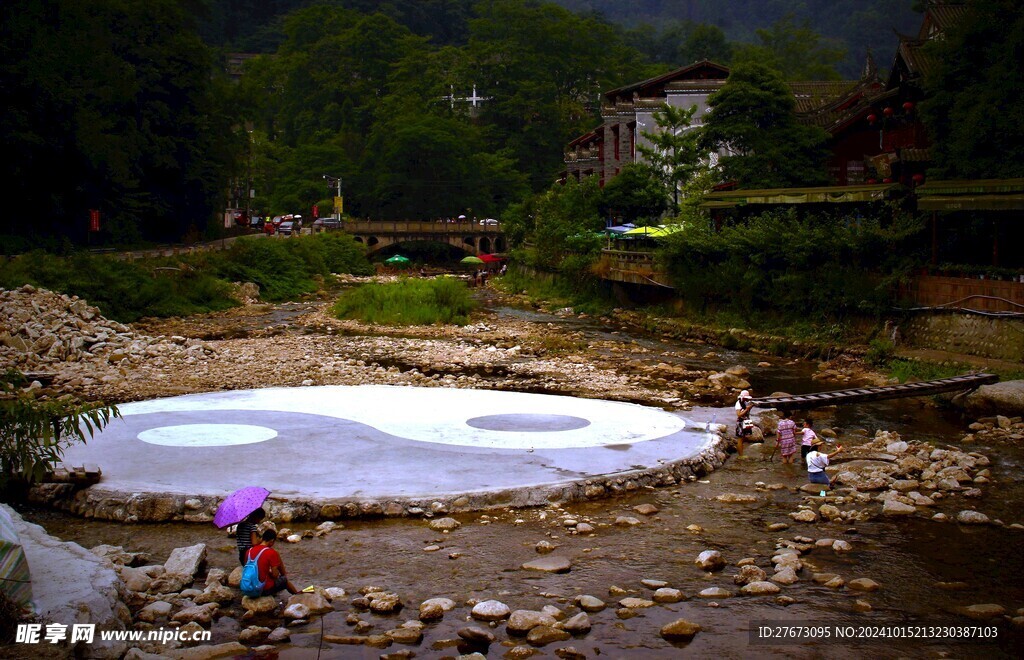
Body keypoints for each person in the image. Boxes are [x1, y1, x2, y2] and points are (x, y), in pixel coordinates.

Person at [245, 530, 300, 596]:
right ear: (272, 541)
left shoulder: (249, 551)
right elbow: (275, 575)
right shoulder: (272, 552)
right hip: (262, 590)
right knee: (284, 580)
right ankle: (297, 595)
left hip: (247, 588)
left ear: (262, 538)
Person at [734, 389, 756, 457]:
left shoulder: (745, 402)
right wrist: (747, 409)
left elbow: (747, 411)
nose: (747, 399)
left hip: (746, 421)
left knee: (745, 437)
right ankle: (741, 455)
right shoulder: (738, 403)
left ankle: (742, 451)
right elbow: (739, 414)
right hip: (740, 422)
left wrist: (750, 407)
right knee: (740, 438)